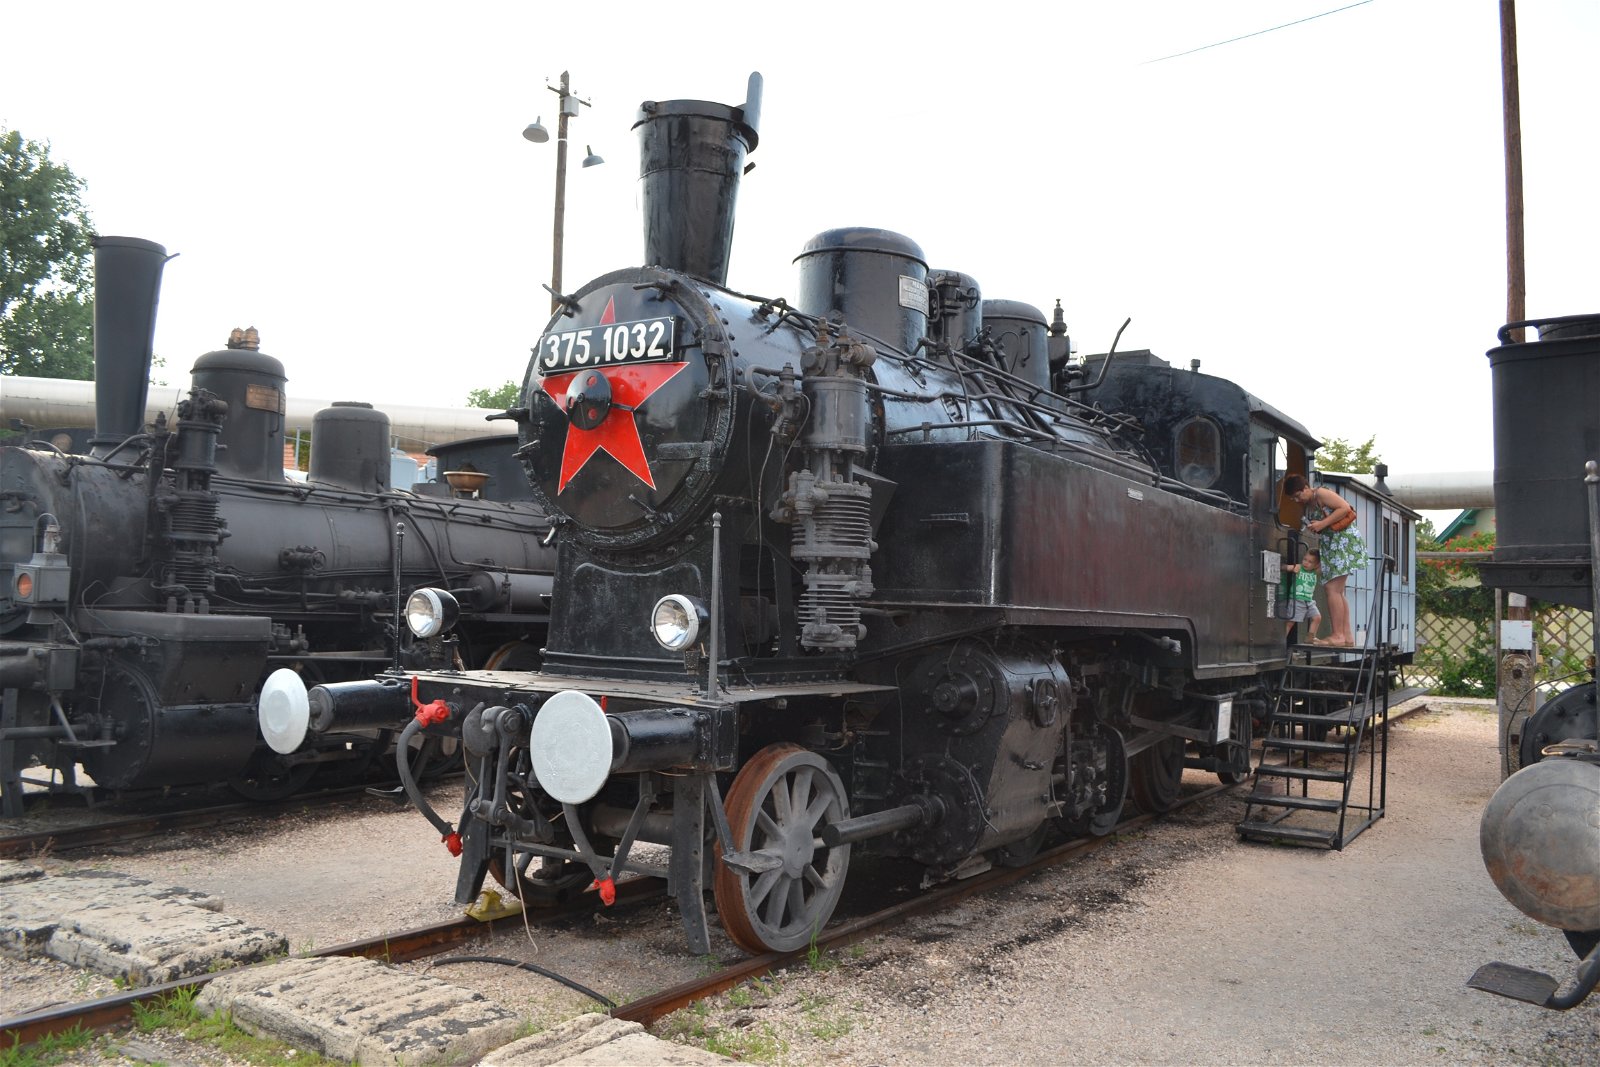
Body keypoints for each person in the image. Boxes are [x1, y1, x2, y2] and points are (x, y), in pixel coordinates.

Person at [1282, 474, 1365, 646]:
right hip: (1333, 543)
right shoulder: (1311, 502)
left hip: (1342, 542)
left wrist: (1322, 524)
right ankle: (1347, 637)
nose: (1297, 500)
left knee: (1332, 588)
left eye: (1298, 495)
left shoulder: (1320, 493)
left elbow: (1344, 508)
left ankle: (1337, 636)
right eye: (1294, 498)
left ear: (1306, 488)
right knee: (1338, 591)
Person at [1282, 548, 1322, 640]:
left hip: (1309, 601)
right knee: (1291, 622)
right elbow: (1285, 567)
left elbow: (1325, 567)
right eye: (1305, 559)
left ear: (1316, 565)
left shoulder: (1315, 572)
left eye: (1310, 562)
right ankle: (1281, 640)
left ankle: (1310, 637)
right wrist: (1290, 568)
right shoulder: (1299, 567)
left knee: (1317, 618)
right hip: (1297, 599)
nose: (1306, 563)